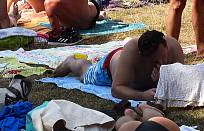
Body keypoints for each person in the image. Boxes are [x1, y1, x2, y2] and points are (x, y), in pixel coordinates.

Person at [54, 30, 184, 99]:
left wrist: (163, 80)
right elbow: (117, 89)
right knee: (85, 73)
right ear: (142, 55)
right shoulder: (132, 50)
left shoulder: (174, 46)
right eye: (154, 61)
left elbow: (181, 83)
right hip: (108, 70)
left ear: (166, 46)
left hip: (125, 68)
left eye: (162, 57)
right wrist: (142, 95)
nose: (161, 63)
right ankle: (71, 62)